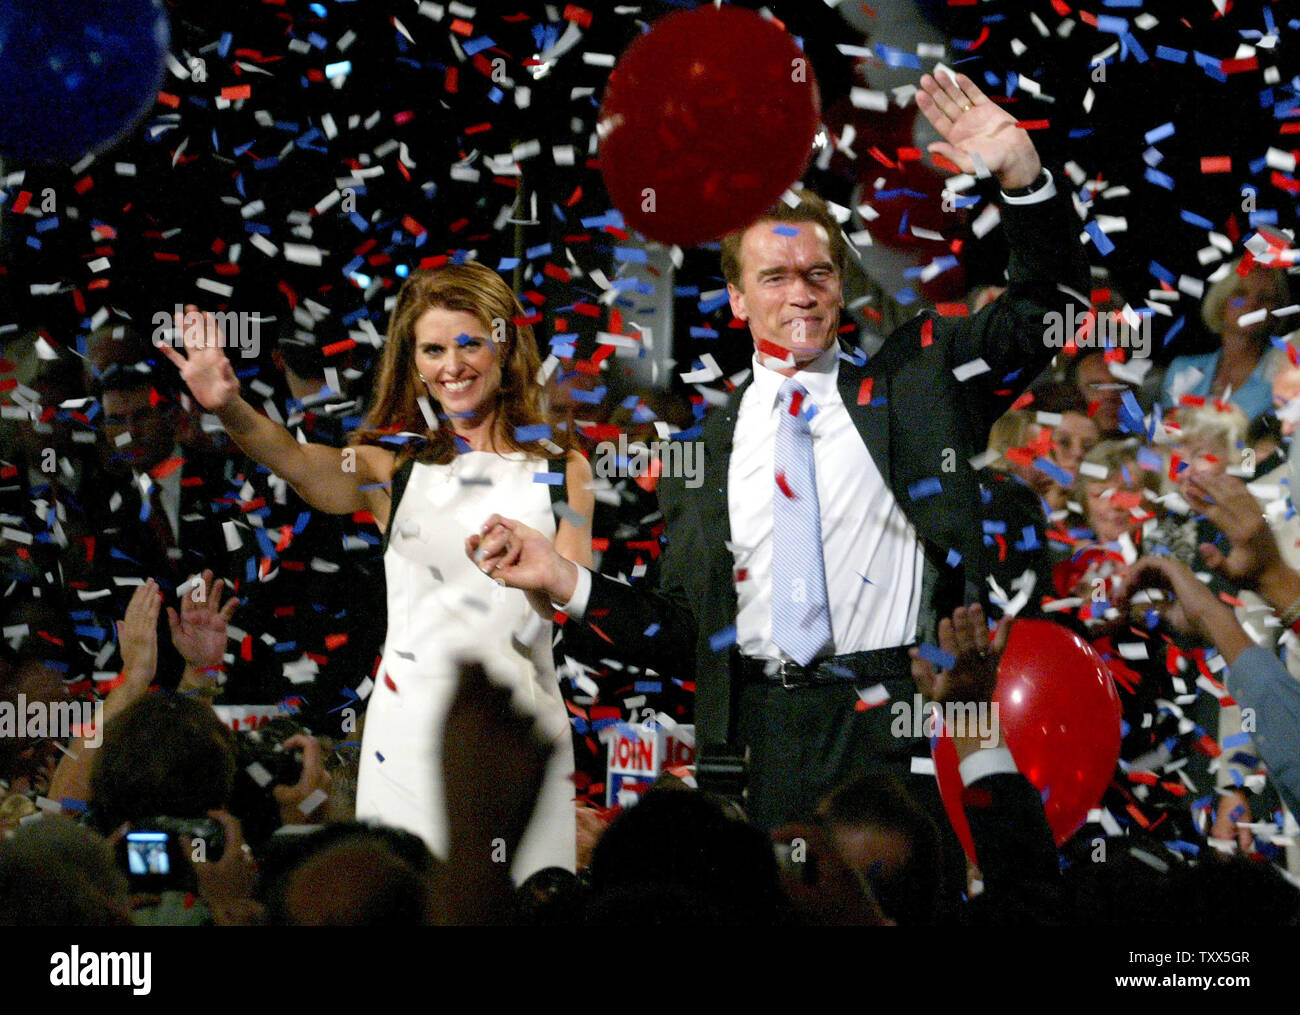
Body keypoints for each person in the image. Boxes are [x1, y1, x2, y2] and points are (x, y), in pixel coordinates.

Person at [471, 69, 1090, 835]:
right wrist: (563, 576)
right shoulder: (700, 452)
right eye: (775, 276)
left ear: (839, 288)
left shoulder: (922, 382)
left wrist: (1022, 175)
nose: (800, 293)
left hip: (896, 726)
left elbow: (1053, 312)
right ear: (737, 299)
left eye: (817, 274)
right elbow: (687, 637)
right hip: (755, 746)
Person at [157, 262, 593, 879]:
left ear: (504, 345)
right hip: (409, 736)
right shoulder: (391, 467)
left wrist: (541, 571)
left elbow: (578, 595)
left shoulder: (562, 467)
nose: (453, 365)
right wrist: (230, 406)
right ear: (412, 361)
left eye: (470, 342)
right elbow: (297, 461)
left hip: (520, 736)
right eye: (433, 349)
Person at [1162, 257, 1291, 422]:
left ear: (1276, 312)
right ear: (1221, 302)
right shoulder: (1182, 369)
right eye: (1240, 293)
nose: (1252, 303)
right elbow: (1163, 436)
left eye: (1266, 298)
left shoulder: (1284, 379)